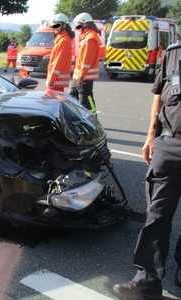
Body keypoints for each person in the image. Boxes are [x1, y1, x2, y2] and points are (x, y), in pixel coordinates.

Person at [113, 40, 181, 300]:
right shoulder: (174, 54)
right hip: (170, 143)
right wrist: (151, 135)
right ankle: (147, 281)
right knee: (156, 215)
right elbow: (159, 94)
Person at [70, 12, 100, 115]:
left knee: (85, 99)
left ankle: (92, 119)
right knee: (72, 97)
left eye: (78, 25)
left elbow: (87, 59)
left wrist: (81, 76)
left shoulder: (91, 37)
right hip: (80, 76)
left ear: (85, 24)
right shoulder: (86, 37)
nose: (77, 27)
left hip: (84, 77)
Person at [46, 13, 74, 92]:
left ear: (64, 25)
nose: (54, 28)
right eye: (53, 25)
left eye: (57, 25)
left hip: (56, 82)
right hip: (55, 81)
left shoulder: (64, 40)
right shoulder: (60, 39)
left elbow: (60, 61)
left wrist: (52, 79)